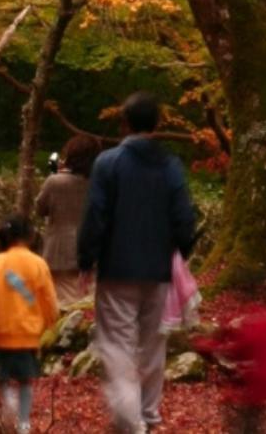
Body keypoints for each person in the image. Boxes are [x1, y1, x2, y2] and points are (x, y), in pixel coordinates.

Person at [78, 93, 199, 434]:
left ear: (125, 123)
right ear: (157, 125)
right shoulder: (170, 166)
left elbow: (96, 215)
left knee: (117, 343)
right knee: (152, 344)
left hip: (117, 269)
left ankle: (132, 422)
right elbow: (184, 219)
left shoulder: (108, 163)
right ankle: (148, 413)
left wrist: (87, 258)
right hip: (159, 270)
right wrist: (179, 253)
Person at [0, 214, 59, 434]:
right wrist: (52, 324)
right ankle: (23, 423)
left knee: (0, 377)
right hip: (29, 334)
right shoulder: (38, 264)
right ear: (30, 236)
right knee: (26, 380)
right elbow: (49, 299)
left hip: (2, 333)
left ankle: (8, 402)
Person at [201, 307, 266, 433]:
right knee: (253, 417)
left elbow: (237, 350)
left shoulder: (254, 330)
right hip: (265, 379)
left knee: (246, 418)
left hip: (256, 382)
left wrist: (211, 346)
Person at [35, 135, 98, 306]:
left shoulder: (56, 181)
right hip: (93, 251)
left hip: (59, 251)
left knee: (63, 307)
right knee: (89, 306)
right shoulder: (99, 184)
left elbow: (40, 209)